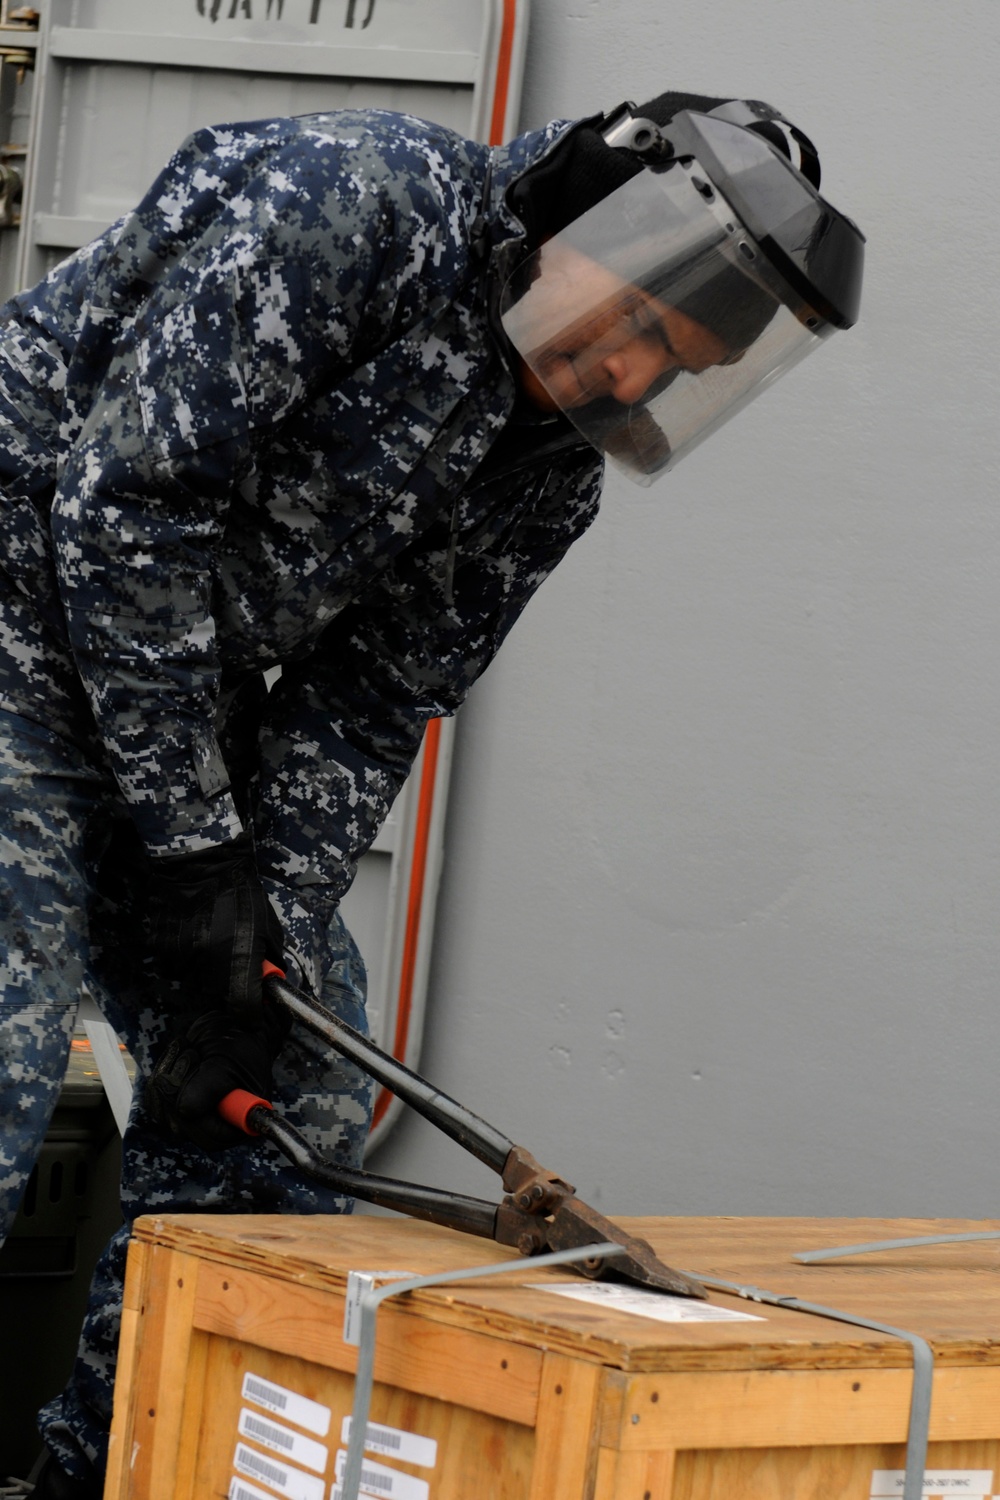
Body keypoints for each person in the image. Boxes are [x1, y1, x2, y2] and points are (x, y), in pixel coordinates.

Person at [0, 87, 864, 1497]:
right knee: (8, 1022)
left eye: (672, 364)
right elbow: (125, 504)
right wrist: (193, 850)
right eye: (638, 323)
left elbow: (370, 700)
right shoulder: (363, 204)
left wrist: (252, 929)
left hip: (166, 704)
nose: (631, 377)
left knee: (306, 1092)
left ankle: (98, 1470)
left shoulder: (549, 477)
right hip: (20, 598)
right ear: (587, 220)